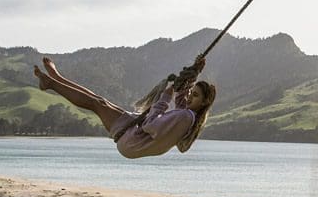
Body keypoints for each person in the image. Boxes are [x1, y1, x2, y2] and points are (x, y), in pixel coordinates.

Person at [33, 56, 216, 158]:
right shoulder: (188, 116)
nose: (190, 96)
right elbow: (182, 100)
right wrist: (195, 71)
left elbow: (150, 126)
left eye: (196, 95)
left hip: (133, 140)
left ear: (205, 102)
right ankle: (57, 78)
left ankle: (51, 83)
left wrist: (165, 97)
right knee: (99, 100)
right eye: (192, 92)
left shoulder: (186, 117)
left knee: (96, 104)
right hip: (135, 135)